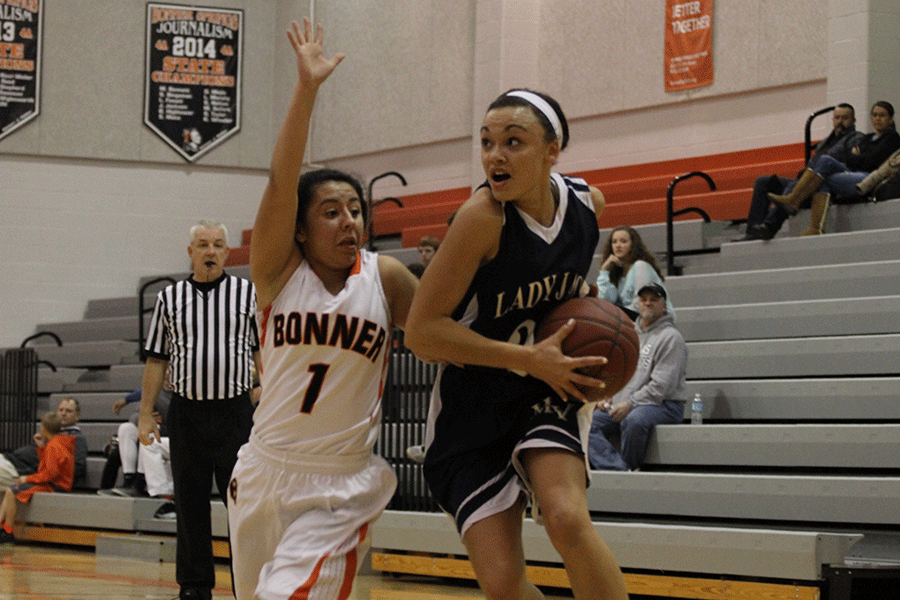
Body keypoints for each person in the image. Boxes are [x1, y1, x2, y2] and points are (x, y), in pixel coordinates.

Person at [404, 87, 629, 599]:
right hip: (474, 399)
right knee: (504, 586)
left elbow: (561, 288)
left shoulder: (587, 204)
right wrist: (526, 357)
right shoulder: (480, 219)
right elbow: (421, 332)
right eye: (486, 142)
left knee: (567, 518)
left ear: (552, 151)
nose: (494, 155)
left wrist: (586, 302)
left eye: (513, 142)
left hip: (545, 388)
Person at [226, 19, 418, 600]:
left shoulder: (385, 279)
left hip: (341, 483)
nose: (348, 221)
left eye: (355, 209)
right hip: (263, 470)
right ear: (301, 231)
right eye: (331, 211)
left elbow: (440, 335)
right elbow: (283, 179)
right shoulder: (278, 275)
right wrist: (306, 89)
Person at [138, 219, 261, 600]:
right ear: (190, 252)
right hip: (187, 412)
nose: (211, 252)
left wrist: (270, 396)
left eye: (218, 245)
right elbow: (157, 360)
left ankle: (249, 582)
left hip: (236, 413)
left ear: (227, 252)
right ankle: (194, 586)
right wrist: (145, 414)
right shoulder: (169, 299)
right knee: (190, 504)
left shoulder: (247, 294)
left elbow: (262, 353)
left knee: (242, 503)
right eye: (203, 245)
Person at [588, 283, 687, 471]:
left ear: (664, 306)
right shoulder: (629, 335)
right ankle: (618, 469)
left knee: (634, 420)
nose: (648, 303)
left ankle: (629, 469)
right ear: (638, 304)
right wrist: (609, 395)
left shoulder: (671, 338)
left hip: (665, 405)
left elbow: (660, 387)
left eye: (654, 299)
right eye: (643, 299)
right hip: (628, 401)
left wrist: (629, 403)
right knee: (588, 422)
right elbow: (618, 372)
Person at [768, 101, 900, 235]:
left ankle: (801, 207)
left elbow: (870, 162)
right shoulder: (867, 137)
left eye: (882, 115)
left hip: (869, 178)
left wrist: (857, 157)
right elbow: (851, 159)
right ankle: (810, 221)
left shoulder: (892, 137)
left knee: (822, 175)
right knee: (825, 163)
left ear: (890, 119)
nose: (878, 118)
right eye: (875, 115)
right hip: (854, 173)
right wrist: (857, 158)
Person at [736, 103, 865, 241]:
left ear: (853, 120)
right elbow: (811, 164)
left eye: (845, 118)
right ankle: (752, 232)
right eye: (837, 118)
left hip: (823, 185)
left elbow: (848, 164)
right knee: (763, 182)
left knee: (794, 186)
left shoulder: (857, 138)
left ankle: (769, 226)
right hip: (806, 181)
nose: (840, 121)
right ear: (832, 120)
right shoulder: (824, 142)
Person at [0, 412, 76, 544]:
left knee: (12, 492)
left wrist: (27, 479)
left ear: (44, 429)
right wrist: (41, 448)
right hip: (56, 484)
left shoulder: (53, 446)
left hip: (55, 486)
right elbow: (50, 466)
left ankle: (7, 531)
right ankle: (3, 528)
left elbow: (50, 474)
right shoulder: (58, 443)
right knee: (10, 490)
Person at [98, 387, 171, 496]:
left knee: (148, 431)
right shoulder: (155, 391)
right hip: (152, 438)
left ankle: (139, 485)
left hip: (171, 436)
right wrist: (144, 416)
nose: (167, 375)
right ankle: (129, 481)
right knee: (126, 428)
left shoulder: (181, 394)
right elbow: (135, 417)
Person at [0, 397, 87, 490]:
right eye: (61, 410)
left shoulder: (76, 438)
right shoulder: (51, 433)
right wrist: (41, 447)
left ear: (77, 415)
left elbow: (74, 469)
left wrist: (34, 478)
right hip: (12, 461)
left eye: (68, 411)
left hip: (21, 471)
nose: (63, 414)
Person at [596, 225, 673, 320]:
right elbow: (606, 300)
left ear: (633, 245)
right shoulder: (616, 271)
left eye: (623, 241)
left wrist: (616, 314)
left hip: (656, 320)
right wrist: (604, 271)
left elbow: (642, 303)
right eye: (614, 242)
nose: (618, 245)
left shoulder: (640, 266)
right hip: (631, 320)